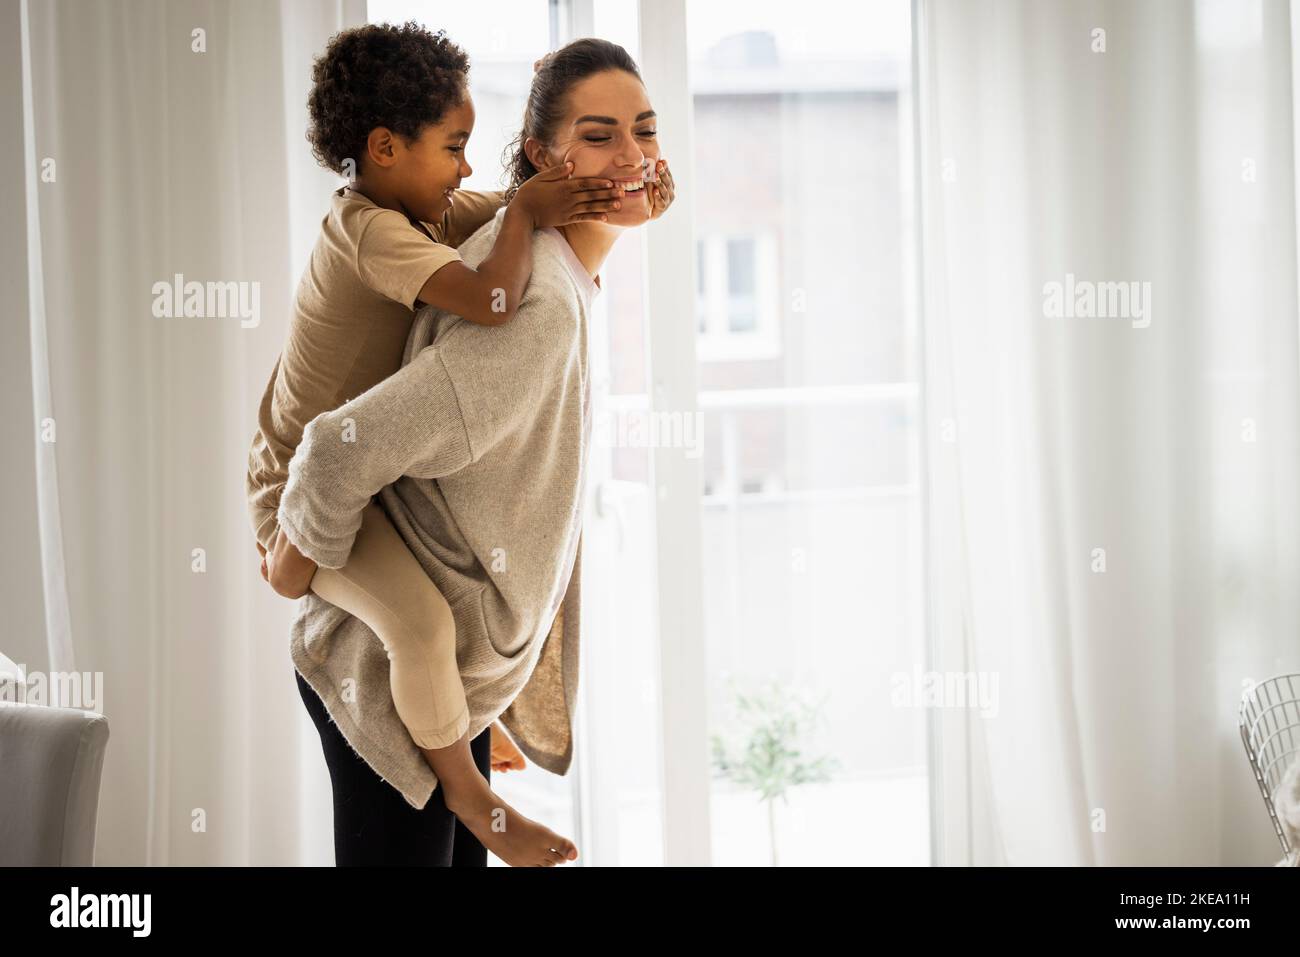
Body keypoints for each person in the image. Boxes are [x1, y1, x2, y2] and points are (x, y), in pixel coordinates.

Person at [272, 36, 673, 865]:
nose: (633, 156)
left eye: (647, 129)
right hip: (384, 678)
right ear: (540, 154)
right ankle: (469, 786)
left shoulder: (523, 249)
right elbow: (332, 452)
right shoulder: (529, 302)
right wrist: (292, 553)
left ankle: (470, 776)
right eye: (598, 135)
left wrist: (614, 198)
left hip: (438, 688)